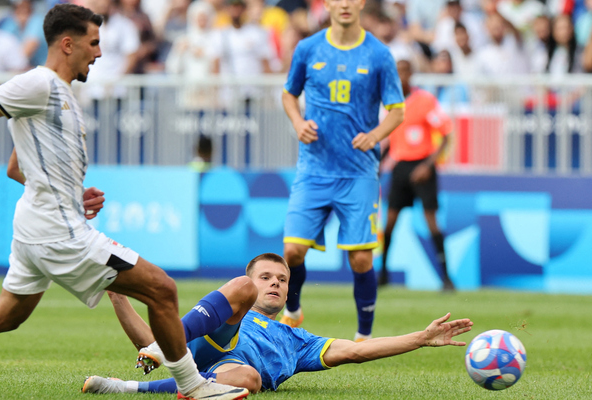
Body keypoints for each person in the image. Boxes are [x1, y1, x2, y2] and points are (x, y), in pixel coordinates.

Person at [0, 5, 248, 400]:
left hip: (37, 225)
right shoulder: (39, 85)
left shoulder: (61, 95)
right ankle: (193, 387)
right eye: (94, 42)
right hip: (56, 231)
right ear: (67, 44)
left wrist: (72, 193)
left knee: (5, 315)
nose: (100, 52)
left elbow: (16, 167)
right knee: (162, 289)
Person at [82, 253, 473, 394]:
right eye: (266, 277)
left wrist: (421, 338)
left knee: (249, 380)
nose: (275, 283)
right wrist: (119, 297)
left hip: (223, 373)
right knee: (230, 296)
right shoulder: (230, 306)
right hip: (207, 340)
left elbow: (355, 350)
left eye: (282, 280)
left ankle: (129, 388)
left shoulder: (297, 339)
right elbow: (156, 334)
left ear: (289, 294)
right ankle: (159, 349)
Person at [279, 0, 406, 343]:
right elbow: (289, 95)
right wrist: (297, 122)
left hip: (358, 173)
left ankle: (364, 335)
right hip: (314, 169)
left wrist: (375, 136)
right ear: (329, 4)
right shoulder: (308, 48)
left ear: (361, 3)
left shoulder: (379, 54)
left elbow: (397, 110)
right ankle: (293, 311)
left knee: (361, 259)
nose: (346, 4)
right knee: (291, 251)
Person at [380, 60, 454, 291]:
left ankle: (446, 277)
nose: (400, 77)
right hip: (400, 166)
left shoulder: (425, 100)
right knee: (390, 221)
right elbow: (387, 138)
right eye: (396, 73)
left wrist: (428, 165)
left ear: (411, 74)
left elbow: (446, 135)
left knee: (431, 221)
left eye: (404, 72)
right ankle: (382, 274)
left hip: (423, 166)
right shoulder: (389, 103)